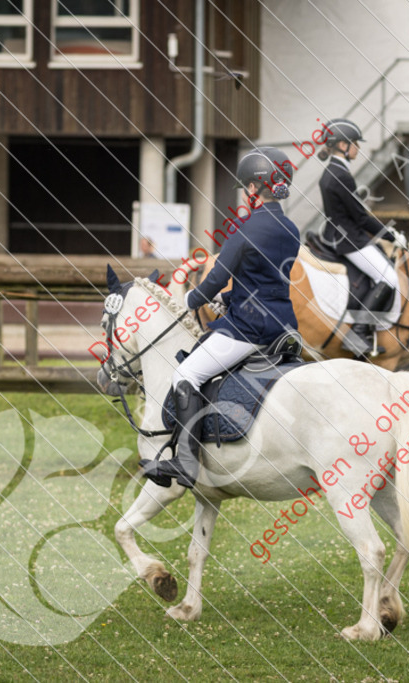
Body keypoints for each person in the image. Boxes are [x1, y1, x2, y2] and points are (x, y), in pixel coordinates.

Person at [141, 147, 301, 489]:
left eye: (246, 186)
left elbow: (218, 275)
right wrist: (227, 300)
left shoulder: (247, 227)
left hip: (250, 328)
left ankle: (185, 463)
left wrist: (191, 298)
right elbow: (264, 280)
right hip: (283, 323)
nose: (245, 192)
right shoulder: (290, 228)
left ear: (256, 187)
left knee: (185, 374)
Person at [317, 118, 407, 357]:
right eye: (355, 143)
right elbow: (360, 217)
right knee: (388, 278)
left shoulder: (331, 172)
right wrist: (391, 235)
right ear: (343, 145)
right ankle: (358, 332)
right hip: (349, 240)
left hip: (337, 235)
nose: (358, 148)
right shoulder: (341, 175)